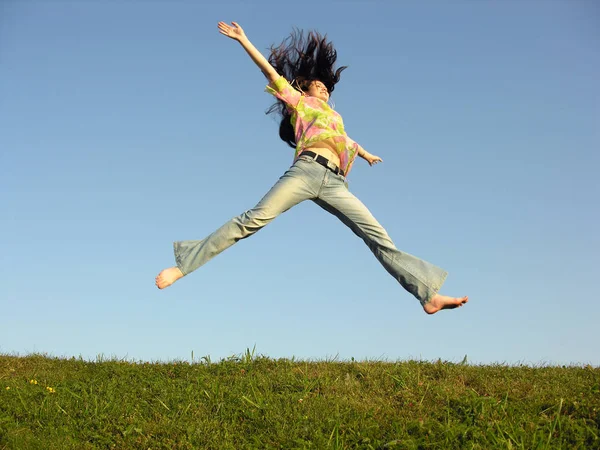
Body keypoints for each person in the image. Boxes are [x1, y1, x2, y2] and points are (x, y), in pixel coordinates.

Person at [155, 21, 468, 315]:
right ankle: (182, 267)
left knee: (377, 235)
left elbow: (345, 140)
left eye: (328, 89)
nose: (325, 90)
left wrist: (366, 154)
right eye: (320, 86)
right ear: (306, 89)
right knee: (251, 221)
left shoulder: (335, 117)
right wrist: (243, 40)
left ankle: (427, 294)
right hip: (305, 172)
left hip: (334, 183)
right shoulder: (300, 103)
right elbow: (268, 72)